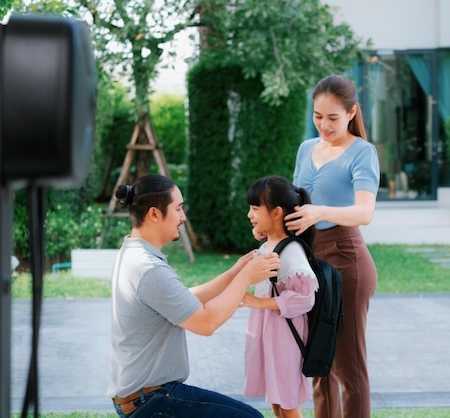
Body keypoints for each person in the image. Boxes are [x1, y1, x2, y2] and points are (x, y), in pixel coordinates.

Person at [107, 174, 280, 418]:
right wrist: (245, 279)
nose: (183, 217)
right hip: (151, 400)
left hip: (143, 396)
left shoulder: (132, 254)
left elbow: (182, 300)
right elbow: (206, 323)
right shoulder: (149, 269)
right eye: (178, 209)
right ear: (155, 214)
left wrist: (234, 273)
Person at [285, 74, 380, 418]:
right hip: (309, 260)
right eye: (317, 116)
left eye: (333, 118)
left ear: (352, 112)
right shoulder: (306, 149)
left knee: (349, 370)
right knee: (318, 365)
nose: (324, 125)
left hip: (347, 261)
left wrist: (320, 212)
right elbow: (297, 206)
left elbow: (365, 212)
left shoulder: (362, 153)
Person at [241, 175, 318, 418]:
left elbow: (306, 297)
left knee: (287, 398)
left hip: (284, 335)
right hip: (270, 331)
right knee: (276, 397)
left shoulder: (292, 251)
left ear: (276, 213)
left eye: (255, 208)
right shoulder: (271, 244)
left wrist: (258, 302)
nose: (249, 214)